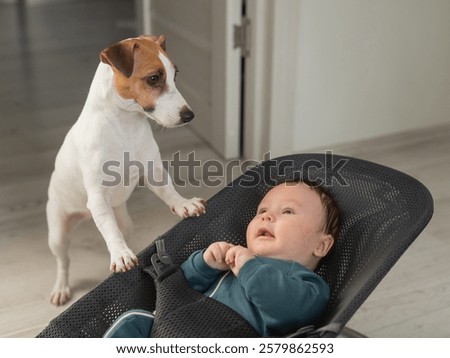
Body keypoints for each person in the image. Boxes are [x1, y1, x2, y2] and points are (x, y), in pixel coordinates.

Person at [104, 181, 340, 338]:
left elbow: (286, 307)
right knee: (134, 321)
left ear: (321, 245)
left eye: (287, 211)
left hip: (223, 336)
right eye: (261, 212)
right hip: (173, 327)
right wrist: (204, 265)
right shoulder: (230, 263)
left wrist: (250, 267)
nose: (267, 216)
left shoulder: (308, 285)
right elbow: (179, 291)